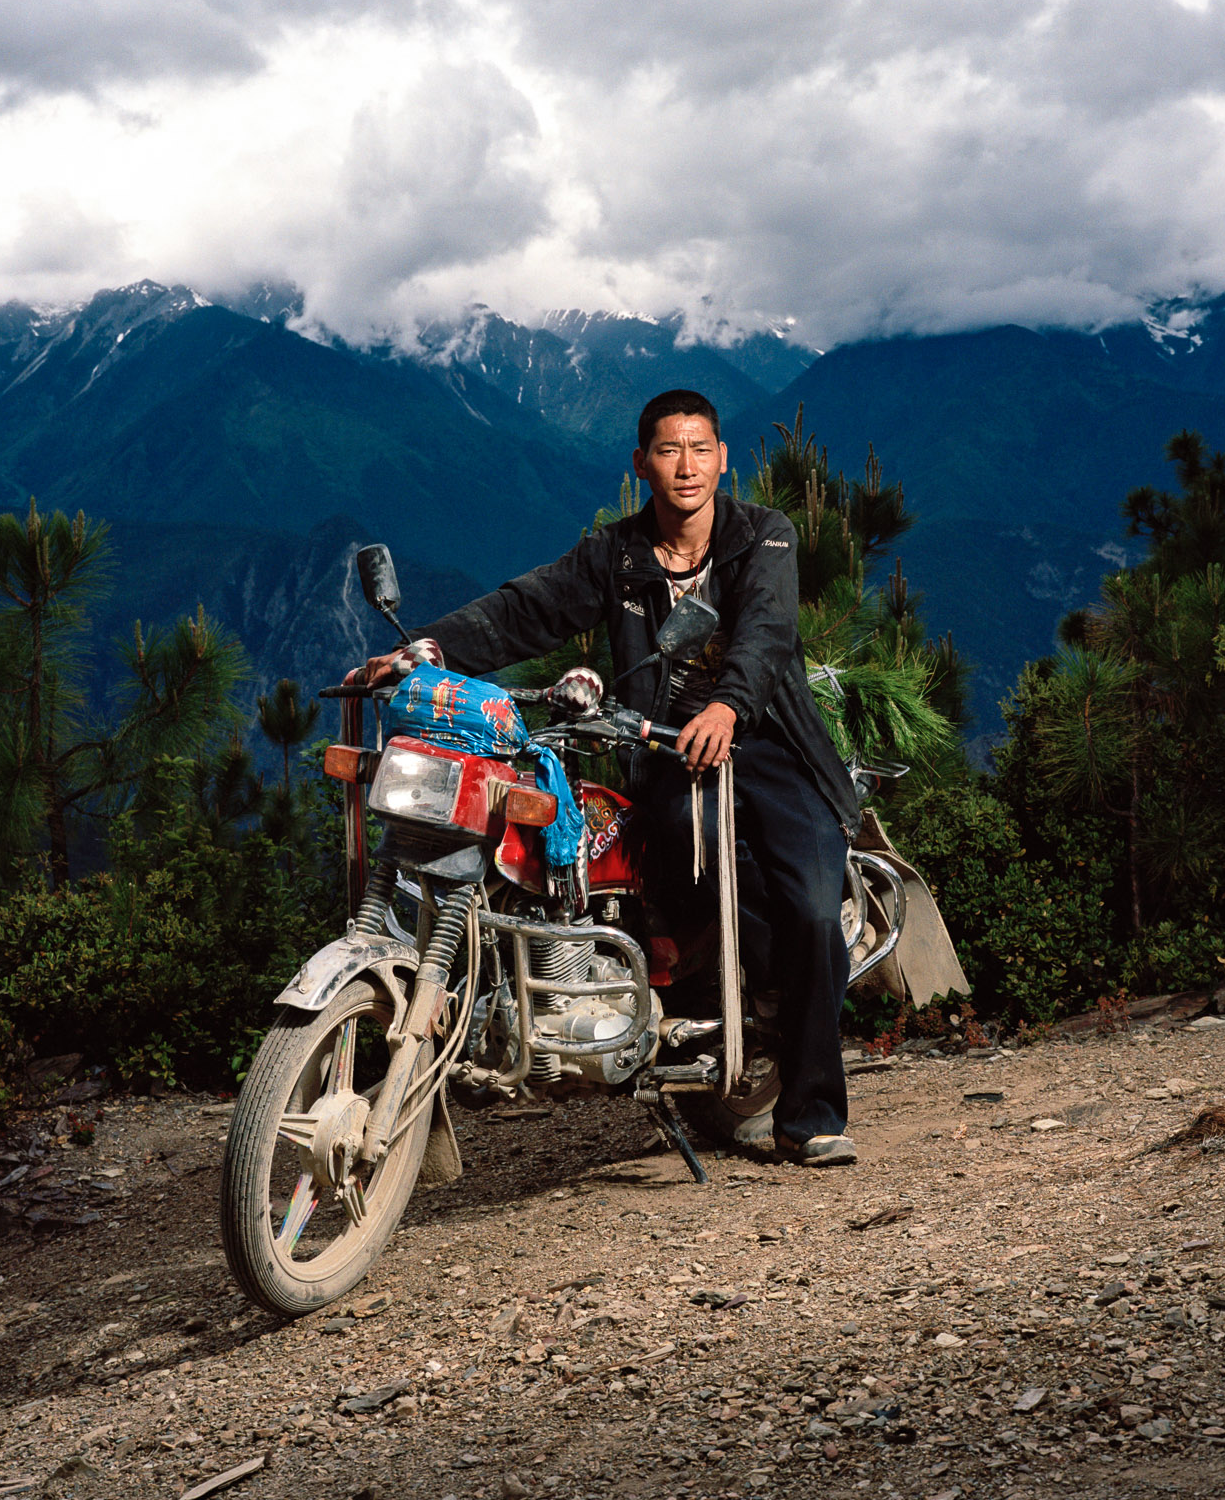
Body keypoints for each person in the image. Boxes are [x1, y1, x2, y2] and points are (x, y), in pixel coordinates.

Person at [356, 388, 861, 1166]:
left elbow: (765, 631)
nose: (685, 466)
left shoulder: (765, 536)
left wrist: (727, 706)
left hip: (770, 742)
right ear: (642, 463)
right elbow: (525, 609)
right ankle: (727, 1012)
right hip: (664, 746)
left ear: (723, 459)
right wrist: (423, 652)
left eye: (700, 448)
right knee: (674, 869)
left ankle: (813, 1114)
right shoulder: (616, 555)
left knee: (810, 906)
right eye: (668, 450)